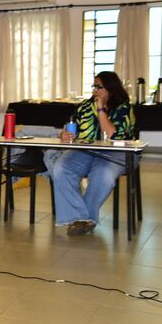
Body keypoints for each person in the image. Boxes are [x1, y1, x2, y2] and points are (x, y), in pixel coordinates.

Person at [51, 71, 135, 235]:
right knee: (61, 167)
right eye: (94, 86)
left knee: (102, 174)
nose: (95, 90)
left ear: (111, 88)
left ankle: (84, 219)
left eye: (99, 87)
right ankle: (81, 218)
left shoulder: (124, 108)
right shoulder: (83, 107)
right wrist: (64, 135)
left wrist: (101, 109)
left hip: (118, 152)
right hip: (86, 150)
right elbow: (70, 127)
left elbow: (112, 135)